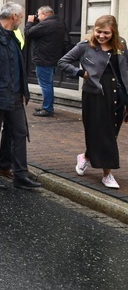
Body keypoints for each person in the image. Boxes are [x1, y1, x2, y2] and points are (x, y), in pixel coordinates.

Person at [0, 2, 42, 190]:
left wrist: (23, 92)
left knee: (20, 133)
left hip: (14, 95)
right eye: (20, 17)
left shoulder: (13, 36)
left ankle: (20, 175)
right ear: (14, 16)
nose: (21, 20)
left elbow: (19, 67)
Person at [59, 15, 127, 189]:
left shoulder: (121, 44)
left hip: (118, 94)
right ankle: (107, 174)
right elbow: (63, 62)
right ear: (94, 30)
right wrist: (81, 73)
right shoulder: (85, 46)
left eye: (106, 33)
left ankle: (86, 157)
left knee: (111, 132)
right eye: (98, 32)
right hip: (95, 94)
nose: (101, 36)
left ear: (113, 32)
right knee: (103, 133)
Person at [25, 6, 68, 117]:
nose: (37, 17)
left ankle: (47, 108)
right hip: (53, 58)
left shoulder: (46, 24)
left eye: (38, 15)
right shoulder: (59, 23)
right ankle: (47, 105)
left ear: (45, 14)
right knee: (48, 84)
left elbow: (28, 33)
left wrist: (29, 22)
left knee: (45, 85)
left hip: (44, 59)